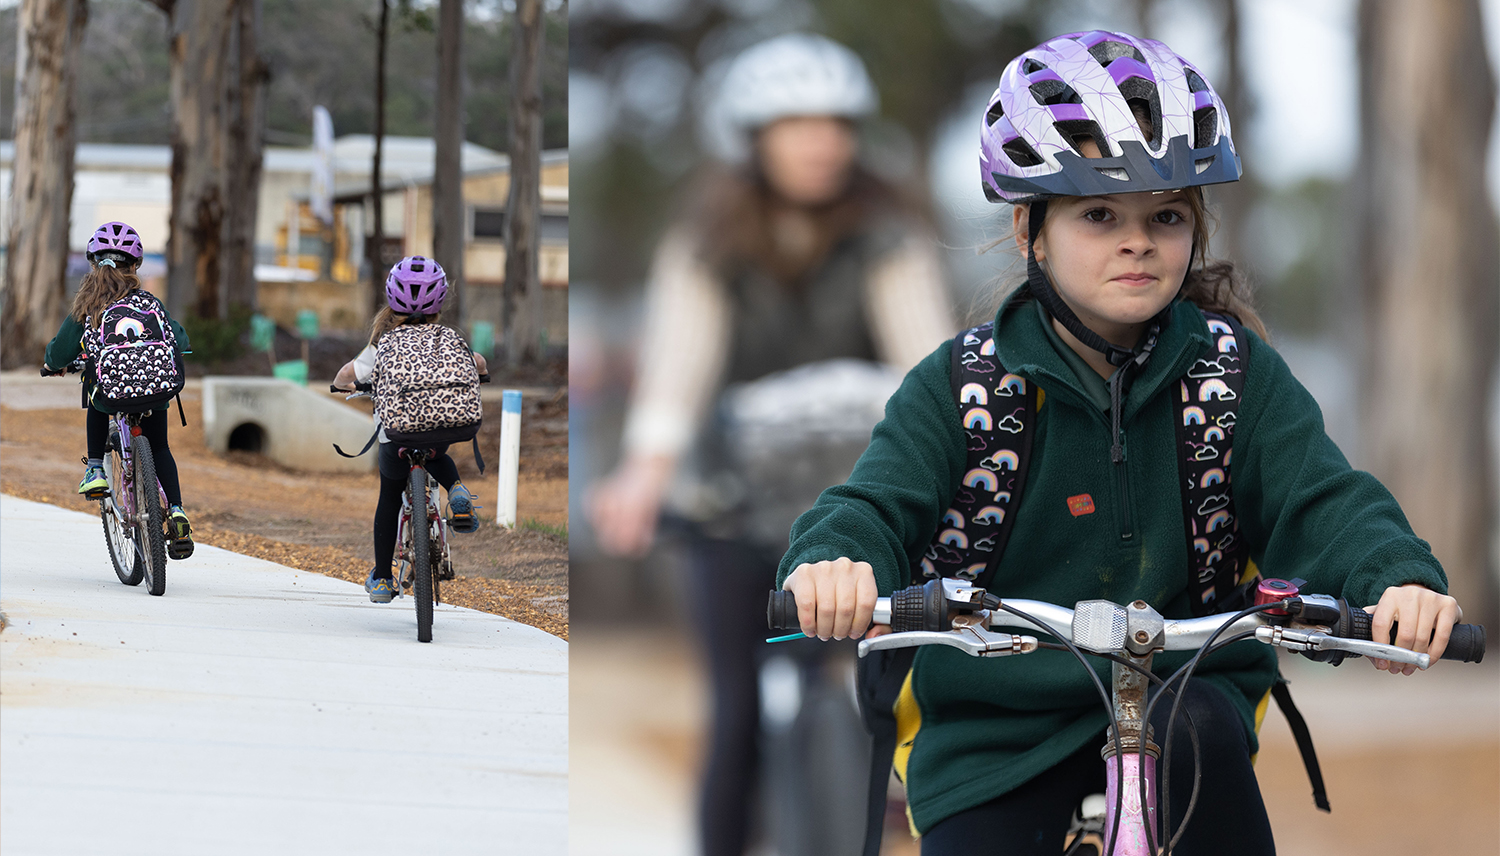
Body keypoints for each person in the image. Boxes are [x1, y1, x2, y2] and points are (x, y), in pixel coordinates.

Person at [776, 30, 1464, 855]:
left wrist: (1396, 580)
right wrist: (835, 564)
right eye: (1100, 215)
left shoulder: (1235, 376)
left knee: (1198, 728)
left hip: (1184, 707)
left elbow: (1324, 498)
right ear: (1032, 228)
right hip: (995, 731)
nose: (1137, 240)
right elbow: (873, 505)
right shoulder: (962, 386)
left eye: (1165, 215)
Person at [588, 33, 955, 856]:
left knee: (902, 705)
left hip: (865, 505)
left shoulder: (888, 237)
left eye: (836, 124)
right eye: (796, 125)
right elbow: (677, 367)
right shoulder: (707, 243)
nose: (821, 143)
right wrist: (646, 472)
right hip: (735, 502)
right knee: (736, 718)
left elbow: (925, 363)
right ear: (752, 140)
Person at [333, 256, 485, 604]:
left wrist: (344, 386)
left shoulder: (383, 343)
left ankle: (384, 578)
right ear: (441, 301)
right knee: (435, 451)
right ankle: (456, 489)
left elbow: (346, 374)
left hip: (397, 437)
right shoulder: (448, 337)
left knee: (389, 496)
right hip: (442, 431)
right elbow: (477, 362)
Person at [45, 221, 194, 559]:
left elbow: (59, 352)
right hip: (156, 392)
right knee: (159, 447)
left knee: (95, 392)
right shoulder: (149, 303)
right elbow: (180, 341)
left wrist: (53, 365)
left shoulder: (89, 305)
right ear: (135, 265)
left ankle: (95, 467)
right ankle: (177, 510)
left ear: (93, 263)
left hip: (112, 393)